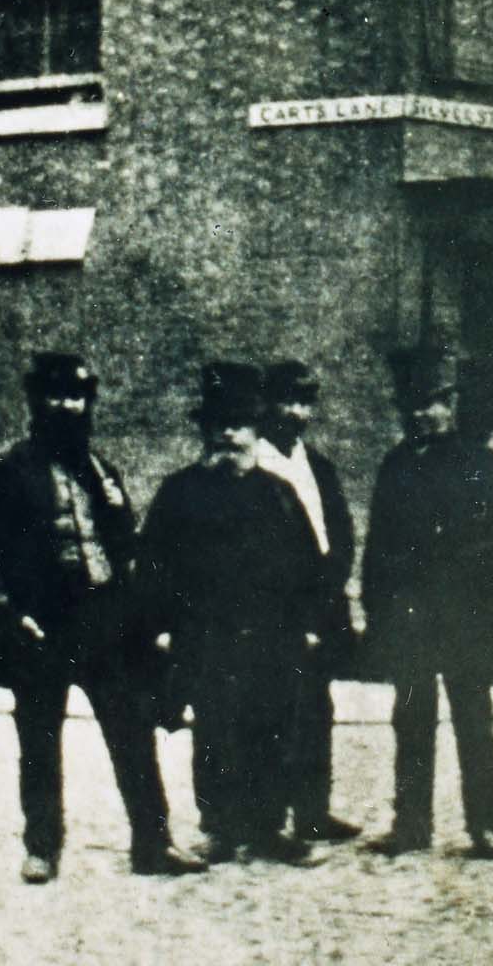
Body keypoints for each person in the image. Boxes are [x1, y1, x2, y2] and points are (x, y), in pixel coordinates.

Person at [0, 351, 202, 883]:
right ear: (35, 403)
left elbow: (125, 548)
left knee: (132, 731)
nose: (67, 407)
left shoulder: (102, 469)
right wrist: (7, 613)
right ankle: (42, 847)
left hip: (104, 623)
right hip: (40, 626)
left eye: (77, 397)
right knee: (39, 739)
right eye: (56, 396)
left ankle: (153, 842)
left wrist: (142, 617)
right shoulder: (6, 471)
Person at [362, 345, 493, 860]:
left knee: (473, 717)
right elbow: (378, 544)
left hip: (466, 612)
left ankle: (484, 826)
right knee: (411, 719)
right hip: (410, 615)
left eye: (433, 404)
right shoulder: (395, 464)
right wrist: (376, 607)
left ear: (449, 406)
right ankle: (411, 825)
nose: (423, 415)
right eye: (414, 407)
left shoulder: (472, 459)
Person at [139, 362, 326, 867]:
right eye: (218, 424)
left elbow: (309, 566)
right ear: (205, 432)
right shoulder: (179, 493)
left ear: (254, 432)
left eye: (239, 424)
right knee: (215, 729)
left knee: (271, 727)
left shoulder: (278, 494)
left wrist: (309, 626)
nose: (228, 434)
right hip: (207, 635)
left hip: (272, 636)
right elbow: (154, 564)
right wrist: (159, 628)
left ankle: (268, 828)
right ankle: (219, 826)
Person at [254, 357, 360, 844]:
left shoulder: (317, 465)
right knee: (274, 708)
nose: (295, 412)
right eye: (286, 401)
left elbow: (340, 533)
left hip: (320, 604)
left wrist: (331, 585)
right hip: (274, 609)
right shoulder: (253, 462)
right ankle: (268, 815)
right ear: (266, 404)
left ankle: (313, 810)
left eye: (303, 402)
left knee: (318, 706)